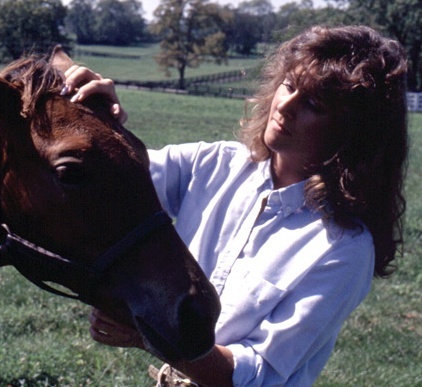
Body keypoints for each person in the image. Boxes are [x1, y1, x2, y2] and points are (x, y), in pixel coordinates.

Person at [62, 25, 408, 386]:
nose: (284, 107)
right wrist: (98, 118)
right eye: (289, 85)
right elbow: (111, 186)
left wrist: (144, 333)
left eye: (313, 104)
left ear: (354, 132)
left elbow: (252, 375)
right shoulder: (213, 164)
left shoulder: (343, 248)